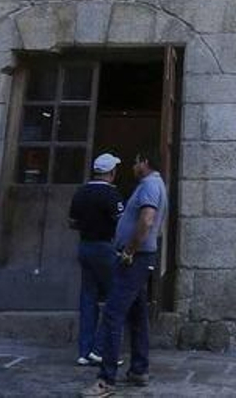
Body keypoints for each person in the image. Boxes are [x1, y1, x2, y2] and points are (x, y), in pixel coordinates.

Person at [89, 151, 167, 395]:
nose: (132, 167)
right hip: (140, 258)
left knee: (113, 313)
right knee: (138, 314)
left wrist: (130, 251)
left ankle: (106, 379)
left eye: (134, 162)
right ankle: (139, 369)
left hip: (136, 258)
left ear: (144, 161)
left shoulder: (149, 186)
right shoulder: (151, 185)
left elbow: (146, 220)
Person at [71, 152, 124, 366]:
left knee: (88, 298)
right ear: (111, 173)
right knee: (115, 297)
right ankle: (101, 348)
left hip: (85, 245)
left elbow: (72, 221)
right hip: (105, 246)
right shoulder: (111, 195)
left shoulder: (81, 193)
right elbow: (121, 224)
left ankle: (84, 351)